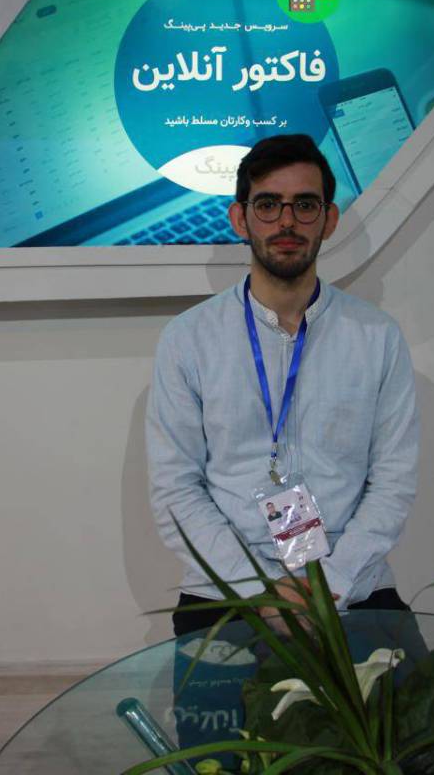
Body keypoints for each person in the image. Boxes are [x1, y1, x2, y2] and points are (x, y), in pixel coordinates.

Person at [146, 134, 419, 637]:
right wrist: (261, 592)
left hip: (351, 585)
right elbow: (175, 489)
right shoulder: (187, 339)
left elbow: (393, 482)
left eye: (305, 205)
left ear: (329, 220)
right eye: (268, 205)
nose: (286, 222)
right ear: (240, 218)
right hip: (227, 589)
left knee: (424, 691)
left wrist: (329, 584)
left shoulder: (377, 337)